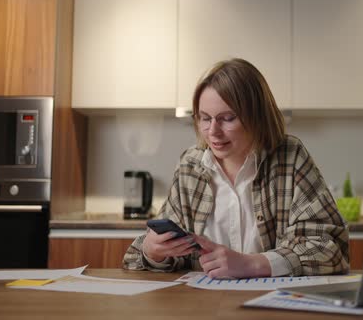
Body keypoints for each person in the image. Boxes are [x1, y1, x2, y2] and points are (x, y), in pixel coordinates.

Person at [123, 58, 349, 278]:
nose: (213, 132)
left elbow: (330, 248)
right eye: (204, 118)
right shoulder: (190, 164)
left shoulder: (289, 156)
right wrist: (154, 252)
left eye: (227, 118)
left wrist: (253, 264)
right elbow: (146, 257)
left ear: (257, 117)